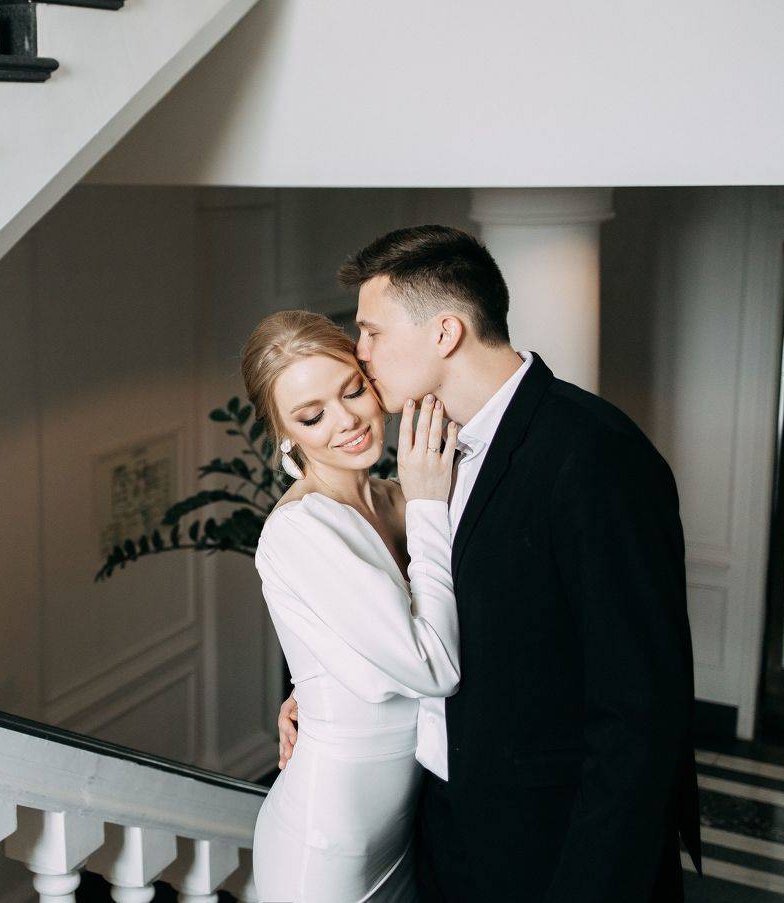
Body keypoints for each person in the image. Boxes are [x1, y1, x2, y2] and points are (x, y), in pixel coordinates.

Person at [275, 225, 701, 902]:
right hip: (448, 833)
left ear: (445, 333)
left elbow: (640, 714)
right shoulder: (428, 450)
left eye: (372, 331)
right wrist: (327, 695)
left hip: (553, 848)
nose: (360, 353)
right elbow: (445, 620)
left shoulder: (595, 456)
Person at [243, 309, 462, 901]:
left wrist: (317, 687)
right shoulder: (302, 529)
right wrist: (428, 508)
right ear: (284, 433)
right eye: (312, 416)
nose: (346, 422)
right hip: (325, 841)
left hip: (404, 821)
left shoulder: (398, 499)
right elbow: (435, 668)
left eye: (353, 391)